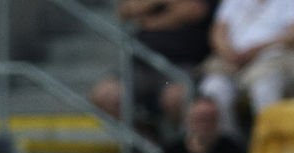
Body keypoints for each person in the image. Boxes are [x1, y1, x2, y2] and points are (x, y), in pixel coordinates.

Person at [90, 0, 217, 139]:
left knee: (176, 98)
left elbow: (194, 10)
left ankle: (177, 147)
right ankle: (148, 142)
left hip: (184, 64)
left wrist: (150, 19)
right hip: (142, 63)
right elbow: (126, 10)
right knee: (104, 94)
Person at [199, 0, 294, 137]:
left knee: (263, 88)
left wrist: (258, 49)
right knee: (213, 88)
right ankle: (230, 146)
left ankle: (268, 146)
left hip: (273, 60)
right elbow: (218, 31)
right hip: (233, 61)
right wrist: (228, 53)